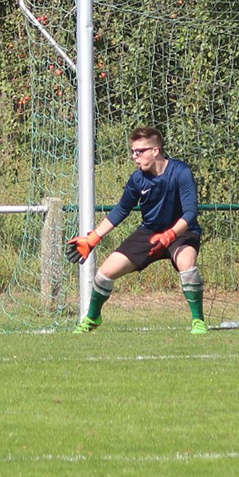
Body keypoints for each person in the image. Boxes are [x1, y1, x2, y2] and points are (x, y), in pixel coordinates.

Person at [66, 126, 205, 334]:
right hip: (150, 233)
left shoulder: (181, 172)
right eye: (132, 152)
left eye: (139, 152)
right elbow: (121, 209)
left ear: (156, 150)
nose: (134, 157)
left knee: (187, 263)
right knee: (104, 273)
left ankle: (198, 320)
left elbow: (191, 212)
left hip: (181, 232)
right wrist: (93, 238)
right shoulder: (137, 179)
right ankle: (93, 318)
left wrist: (171, 235)